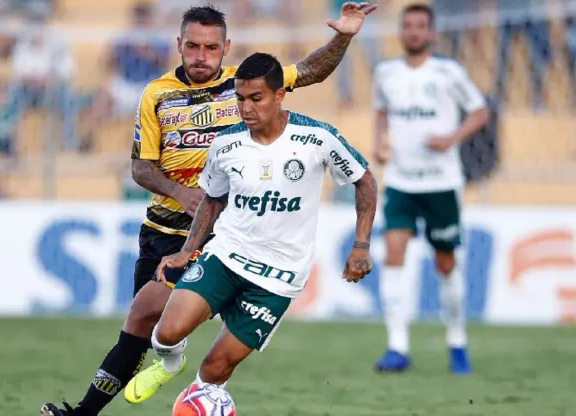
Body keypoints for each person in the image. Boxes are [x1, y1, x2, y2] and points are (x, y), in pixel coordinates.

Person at [40, 3, 377, 416]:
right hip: (168, 227)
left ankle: (152, 401)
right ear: (179, 45)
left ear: (225, 47)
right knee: (144, 325)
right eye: (193, 46)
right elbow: (141, 167)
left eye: (211, 48)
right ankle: (124, 391)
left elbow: (311, 70)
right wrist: (180, 193)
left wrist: (344, 35)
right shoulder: (157, 94)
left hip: (229, 233)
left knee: (162, 321)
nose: (202, 56)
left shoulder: (246, 84)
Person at [130, 51, 377, 397]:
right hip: (226, 255)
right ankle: (171, 363)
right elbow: (213, 199)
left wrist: (361, 245)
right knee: (166, 333)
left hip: (278, 276)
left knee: (215, 369)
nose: (246, 109)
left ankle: (206, 399)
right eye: (240, 99)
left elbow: (365, 180)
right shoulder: (226, 143)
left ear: (279, 95)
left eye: (255, 98)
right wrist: (187, 251)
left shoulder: (317, 138)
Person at [371, 3, 489, 374]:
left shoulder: (448, 71)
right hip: (402, 182)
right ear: (401, 32)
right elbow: (380, 110)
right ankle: (397, 347)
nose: (413, 32)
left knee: (445, 263)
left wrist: (452, 137)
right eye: (408, 26)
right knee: (393, 253)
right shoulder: (386, 72)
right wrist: (379, 142)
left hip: (441, 183)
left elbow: (480, 111)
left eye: (420, 26)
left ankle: (457, 341)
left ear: (432, 33)